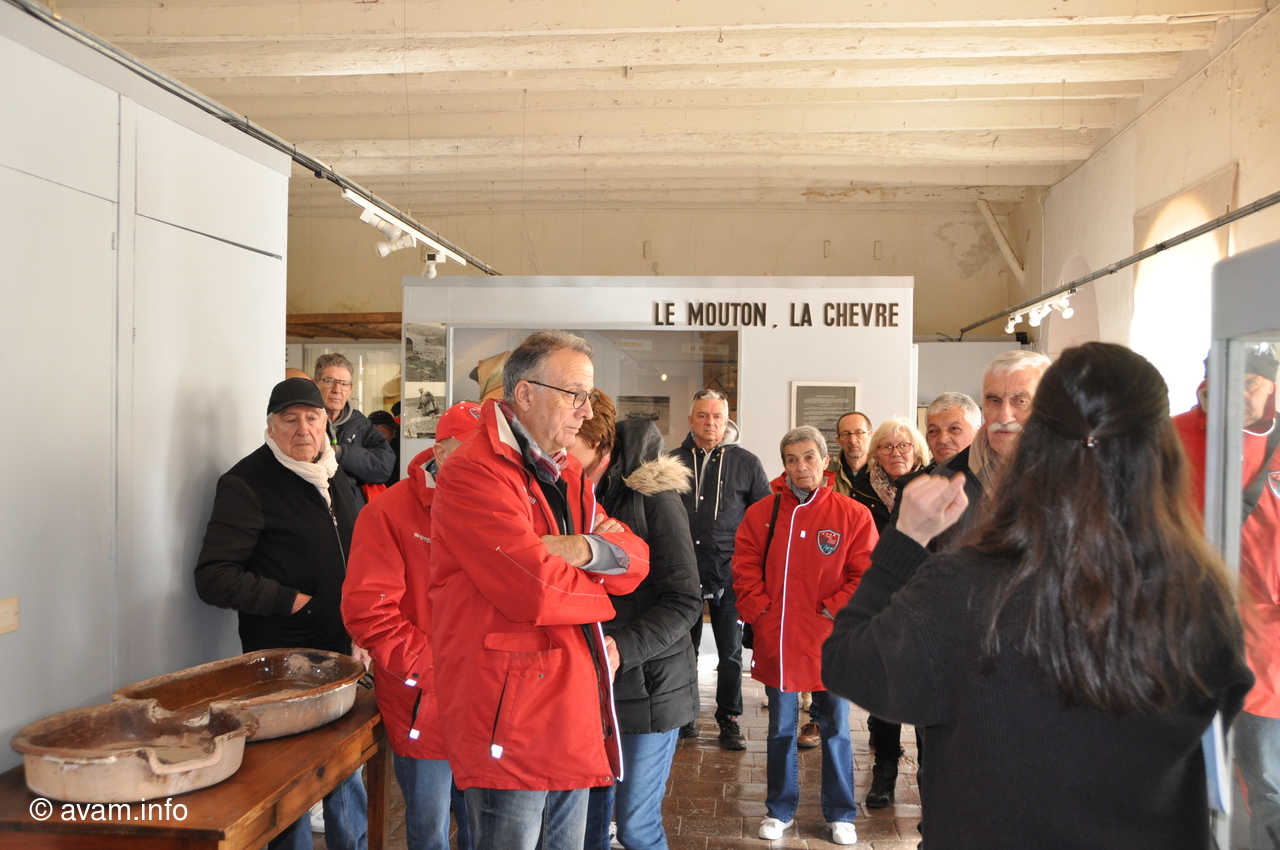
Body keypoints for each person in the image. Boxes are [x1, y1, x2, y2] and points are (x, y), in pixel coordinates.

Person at [822, 342, 1254, 849]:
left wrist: (904, 541)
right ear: (1162, 451)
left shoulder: (965, 585)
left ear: (1036, 446)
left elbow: (848, 663)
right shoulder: (1200, 594)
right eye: (994, 400)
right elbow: (1220, 711)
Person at [427, 330, 650, 850]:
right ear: (525, 394)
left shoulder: (565, 471)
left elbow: (637, 559)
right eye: (575, 394)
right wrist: (598, 584)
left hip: (568, 710)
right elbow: (533, 589)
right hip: (511, 721)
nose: (586, 411)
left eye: (589, 396)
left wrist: (579, 548)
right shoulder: (473, 473)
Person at [194, 377, 368, 850]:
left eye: (312, 418)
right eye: (289, 420)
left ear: (327, 423)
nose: (302, 429)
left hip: (340, 651)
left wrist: (360, 620)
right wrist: (292, 601)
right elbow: (213, 576)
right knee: (289, 784)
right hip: (283, 663)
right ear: (270, 427)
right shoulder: (246, 483)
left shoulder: (332, 474)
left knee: (344, 766)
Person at [342, 402, 483, 850]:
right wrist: (438, 671)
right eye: (472, 452)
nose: (486, 465)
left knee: (485, 829)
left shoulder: (501, 507)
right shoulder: (389, 512)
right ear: (441, 453)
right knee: (428, 829)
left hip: (486, 703)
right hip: (424, 698)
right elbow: (370, 612)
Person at [568, 392, 701, 850]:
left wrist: (621, 647)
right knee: (587, 828)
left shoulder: (652, 494)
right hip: (587, 685)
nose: (558, 449)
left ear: (597, 442)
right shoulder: (565, 489)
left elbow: (685, 599)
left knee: (637, 828)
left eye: (569, 440)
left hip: (650, 688)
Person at [733, 426, 876, 845]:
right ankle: (779, 809)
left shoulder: (852, 514)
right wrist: (761, 612)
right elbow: (743, 566)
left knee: (837, 728)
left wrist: (833, 610)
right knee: (780, 729)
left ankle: (841, 813)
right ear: (784, 466)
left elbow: (867, 574)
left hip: (831, 642)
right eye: (792, 460)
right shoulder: (762, 512)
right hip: (779, 638)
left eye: (809, 457)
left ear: (825, 461)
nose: (801, 467)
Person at [1173, 344, 1280, 849]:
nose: (1237, 393)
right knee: (1191, 785)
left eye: (1250, 382)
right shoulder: (1171, 437)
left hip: (1266, 655)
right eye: (1225, 378)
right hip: (1187, 642)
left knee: (1268, 787)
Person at [671, 389, 771, 750]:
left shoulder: (747, 463)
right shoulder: (671, 461)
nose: (709, 422)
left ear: (727, 420)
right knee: (684, 651)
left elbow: (764, 519)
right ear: (690, 419)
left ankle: (729, 719)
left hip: (731, 575)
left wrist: (756, 569)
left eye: (716, 416)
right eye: (702, 415)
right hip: (683, 574)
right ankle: (684, 717)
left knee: (729, 654)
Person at [923, 349, 1051, 551]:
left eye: (1021, 401)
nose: (1004, 416)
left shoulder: (1076, 478)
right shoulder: (944, 479)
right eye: (994, 401)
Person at [314, 353, 396, 513]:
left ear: (350, 389)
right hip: (314, 510)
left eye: (344, 384)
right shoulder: (304, 421)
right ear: (315, 383)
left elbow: (384, 466)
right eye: (329, 381)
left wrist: (341, 453)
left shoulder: (360, 424)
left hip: (352, 515)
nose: (337, 390)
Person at [923, 392, 980, 467]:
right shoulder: (920, 475)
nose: (942, 440)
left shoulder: (993, 473)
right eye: (933, 431)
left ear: (978, 434)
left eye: (954, 428)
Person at [827, 411, 874, 498]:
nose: (852, 440)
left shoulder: (883, 471)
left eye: (859, 432)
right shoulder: (825, 472)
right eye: (845, 434)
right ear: (838, 440)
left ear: (871, 436)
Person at [367, 409, 401, 485]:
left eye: (394, 431)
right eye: (391, 431)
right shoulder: (367, 453)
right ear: (375, 428)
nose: (393, 435)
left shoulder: (394, 445)